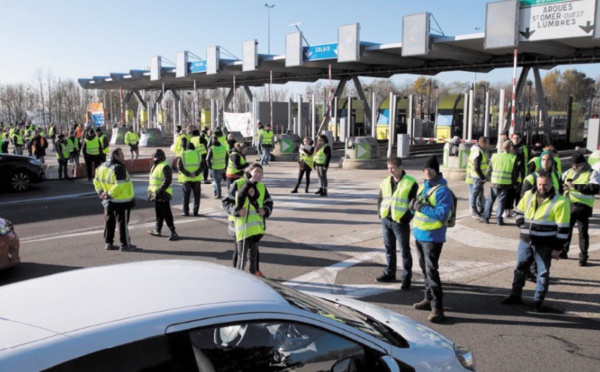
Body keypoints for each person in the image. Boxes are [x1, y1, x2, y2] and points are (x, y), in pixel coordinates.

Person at [502, 170, 570, 312]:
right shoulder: (528, 195)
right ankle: (515, 295)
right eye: (539, 184)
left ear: (552, 184)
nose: (542, 187)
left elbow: (563, 228)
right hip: (526, 240)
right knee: (520, 268)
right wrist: (520, 223)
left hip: (545, 243)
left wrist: (557, 248)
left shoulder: (560, 201)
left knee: (543, 272)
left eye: (545, 185)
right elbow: (519, 211)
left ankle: (538, 301)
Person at [408, 155, 453, 323]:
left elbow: (441, 215)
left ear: (436, 171)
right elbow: (417, 210)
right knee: (425, 271)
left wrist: (421, 207)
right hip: (420, 234)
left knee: (432, 272)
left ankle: (437, 308)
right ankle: (428, 299)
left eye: (430, 169)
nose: (427, 172)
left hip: (433, 237)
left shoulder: (442, 190)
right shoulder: (423, 187)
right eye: (425, 169)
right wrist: (413, 208)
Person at [223, 163, 273, 276]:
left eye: (261, 172)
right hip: (240, 226)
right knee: (240, 253)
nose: (259, 174)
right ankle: (237, 274)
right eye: (256, 171)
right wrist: (236, 211)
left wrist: (265, 210)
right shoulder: (238, 183)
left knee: (254, 251)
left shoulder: (261, 186)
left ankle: (254, 271)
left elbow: (269, 202)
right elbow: (226, 202)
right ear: (249, 172)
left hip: (255, 227)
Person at [377, 156, 419, 289]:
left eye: (393, 168)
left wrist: (405, 218)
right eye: (388, 168)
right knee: (389, 248)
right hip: (386, 220)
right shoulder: (385, 182)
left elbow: (414, 204)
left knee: (404, 250)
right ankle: (390, 272)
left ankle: (406, 278)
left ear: (401, 167)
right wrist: (380, 213)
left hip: (400, 222)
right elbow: (380, 198)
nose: (390, 171)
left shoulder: (410, 182)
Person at [93, 148, 138, 251]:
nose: (123, 155)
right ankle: (125, 244)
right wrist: (109, 195)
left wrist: (101, 192)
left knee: (109, 222)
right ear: (116, 155)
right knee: (122, 223)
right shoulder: (118, 168)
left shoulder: (102, 166)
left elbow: (96, 181)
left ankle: (108, 243)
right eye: (121, 154)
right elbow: (120, 185)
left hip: (108, 201)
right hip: (122, 200)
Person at [560, 153, 600, 265]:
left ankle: (583, 256)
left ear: (583, 164)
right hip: (569, 205)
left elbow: (594, 188)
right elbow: (560, 182)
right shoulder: (569, 172)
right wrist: (563, 187)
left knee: (582, 233)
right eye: (573, 165)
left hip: (583, 206)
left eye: (577, 165)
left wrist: (575, 186)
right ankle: (563, 251)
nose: (574, 168)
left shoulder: (592, 173)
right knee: (567, 230)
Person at [480, 141, 519, 226]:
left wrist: (489, 179)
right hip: (506, 183)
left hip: (494, 182)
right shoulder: (512, 158)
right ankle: (499, 220)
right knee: (501, 202)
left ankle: (486, 218)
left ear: (501, 147)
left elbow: (489, 170)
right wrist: (513, 183)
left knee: (490, 201)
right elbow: (515, 173)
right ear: (510, 148)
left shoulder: (494, 156)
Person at [147, 149, 179, 241]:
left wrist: (160, 191)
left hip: (163, 194)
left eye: (155, 157)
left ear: (159, 157)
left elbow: (167, 180)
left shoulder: (165, 166)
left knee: (166, 213)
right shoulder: (155, 166)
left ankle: (173, 232)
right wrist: (151, 193)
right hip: (156, 194)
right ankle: (158, 229)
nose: (154, 158)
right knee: (159, 213)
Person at [177, 142, 204, 217]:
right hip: (197, 179)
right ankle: (195, 212)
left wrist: (188, 174)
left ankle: (186, 212)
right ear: (194, 148)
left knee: (186, 196)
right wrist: (196, 173)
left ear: (187, 148)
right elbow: (203, 166)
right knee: (197, 196)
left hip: (186, 179)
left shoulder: (182, 155)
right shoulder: (199, 155)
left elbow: (179, 167)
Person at [505, 132, 528, 218]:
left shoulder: (523, 148)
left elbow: (523, 161)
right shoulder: (509, 146)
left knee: (518, 193)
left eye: (517, 138)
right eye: (514, 138)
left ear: (520, 139)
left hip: (520, 174)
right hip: (510, 174)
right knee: (509, 193)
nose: (515, 140)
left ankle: (517, 209)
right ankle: (508, 209)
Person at [466, 136, 489, 218]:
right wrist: (483, 177)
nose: (488, 145)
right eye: (487, 143)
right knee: (474, 194)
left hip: (475, 176)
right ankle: (474, 211)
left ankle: (480, 209)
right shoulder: (478, 152)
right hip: (477, 177)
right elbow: (477, 167)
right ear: (482, 143)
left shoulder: (475, 150)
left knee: (478, 194)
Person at [206, 134, 228, 199]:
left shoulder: (212, 148)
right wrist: (226, 166)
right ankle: (216, 192)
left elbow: (207, 159)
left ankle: (219, 194)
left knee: (217, 181)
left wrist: (209, 167)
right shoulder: (224, 147)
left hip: (215, 167)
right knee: (217, 181)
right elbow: (227, 157)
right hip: (222, 166)